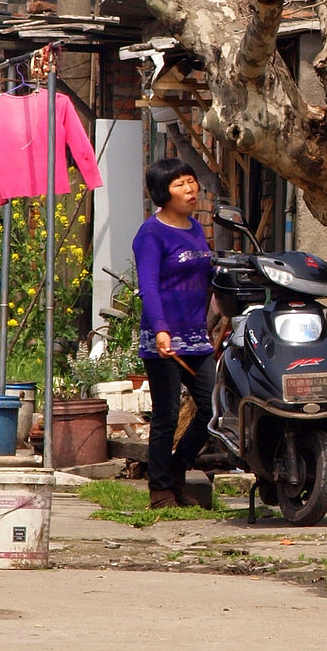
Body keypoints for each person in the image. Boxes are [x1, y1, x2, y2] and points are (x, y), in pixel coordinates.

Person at [133, 157, 216, 509]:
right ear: (161, 193)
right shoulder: (151, 234)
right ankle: (161, 491)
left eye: (191, 181)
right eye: (180, 184)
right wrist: (162, 330)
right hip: (164, 339)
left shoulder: (196, 228)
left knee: (213, 409)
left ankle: (179, 468)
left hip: (198, 337)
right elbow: (149, 287)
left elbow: (207, 278)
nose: (190, 189)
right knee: (165, 416)